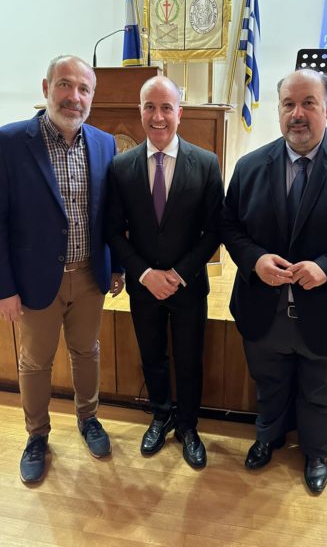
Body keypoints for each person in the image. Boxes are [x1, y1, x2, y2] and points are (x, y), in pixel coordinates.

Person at [221, 68, 327, 493]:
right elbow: (229, 226)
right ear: (279, 110)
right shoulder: (249, 166)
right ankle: (269, 437)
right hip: (265, 308)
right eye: (288, 104)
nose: (297, 114)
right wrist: (255, 260)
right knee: (270, 382)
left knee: (324, 389)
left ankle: (317, 451)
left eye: (308, 103)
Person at [0, 55, 124, 484]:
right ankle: (37, 435)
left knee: (87, 351)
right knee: (35, 362)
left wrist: (116, 267)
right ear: (46, 88)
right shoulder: (7, 142)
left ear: (92, 97)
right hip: (34, 280)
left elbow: (111, 214)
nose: (73, 96)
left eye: (83, 89)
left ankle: (88, 418)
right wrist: (1, 287)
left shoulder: (104, 143)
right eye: (65, 84)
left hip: (90, 275)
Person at [106, 76, 223, 469]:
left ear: (180, 113)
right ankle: (161, 415)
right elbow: (113, 230)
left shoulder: (205, 163)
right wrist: (144, 274)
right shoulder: (121, 167)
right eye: (150, 107)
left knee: (189, 359)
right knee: (152, 355)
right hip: (144, 288)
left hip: (188, 286)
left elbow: (214, 231)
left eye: (166, 108)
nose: (158, 116)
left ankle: (188, 425)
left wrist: (178, 273)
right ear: (140, 111)